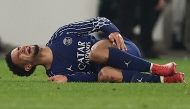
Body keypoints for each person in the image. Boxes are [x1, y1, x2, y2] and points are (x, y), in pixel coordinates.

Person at [5, 17, 185, 83]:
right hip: (117, 68)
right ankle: (164, 79)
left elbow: (98, 22)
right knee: (104, 75)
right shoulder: (56, 73)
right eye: (19, 54)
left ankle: (155, 67)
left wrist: (113, 31)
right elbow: (93, 78)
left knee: (95, 53)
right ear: (27, 67)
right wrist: (68, 79)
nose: (23, 49)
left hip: (123, 49)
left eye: (19, 47)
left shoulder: (62, 34)